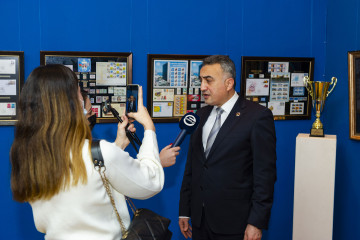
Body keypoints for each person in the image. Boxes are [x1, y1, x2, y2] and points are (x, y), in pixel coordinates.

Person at [10, 64, 165, 239]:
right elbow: (151, 182)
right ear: (69, 102)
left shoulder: (29, 156)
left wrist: (118, 145)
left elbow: (85, 185)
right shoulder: (100, 152)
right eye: (78, 92)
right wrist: (149, 128)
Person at [179, 55, 277, 240]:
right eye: (201, 80)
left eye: (209, 80)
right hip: (200, 222)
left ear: (229, 83)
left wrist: (256, 221)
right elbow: (192, 167)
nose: (202, 87)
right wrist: (184, 210)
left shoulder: (257, 116)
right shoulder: (200, 114)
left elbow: (265, 175)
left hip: (236, 224)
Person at [80, 89, 181, 168]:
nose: (94, 114)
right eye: (89, 112)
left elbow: (110, 167)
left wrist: (120, 143)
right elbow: (143, 181)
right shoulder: (93, 153)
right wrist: (148, 125)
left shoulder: (73, 149)